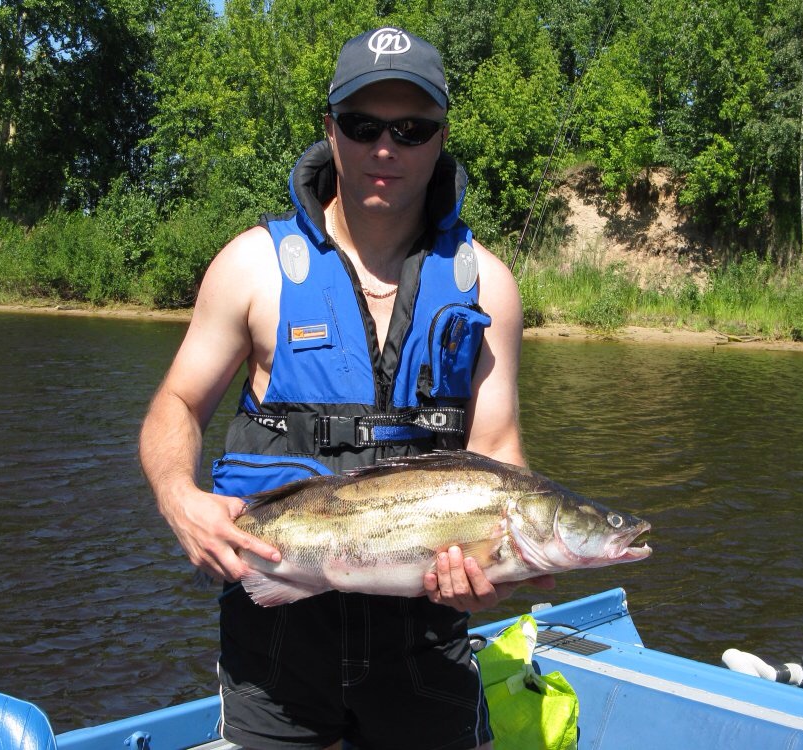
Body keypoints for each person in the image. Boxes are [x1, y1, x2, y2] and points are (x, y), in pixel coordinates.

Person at [139, 26, 553, 750]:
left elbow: (497, 451)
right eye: (363, 126)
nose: (385, 149)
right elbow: (175, 405)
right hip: (276, 643)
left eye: (411, 128)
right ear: (331, 130)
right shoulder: (252, 266)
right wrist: (179, 498)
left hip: (425, 640)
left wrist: (505, 566)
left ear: (440, 136)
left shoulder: (489, 284)